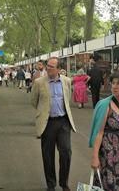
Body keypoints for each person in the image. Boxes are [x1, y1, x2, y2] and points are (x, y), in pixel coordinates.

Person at [31, 57, 76, 191]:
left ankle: (64, 183)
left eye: (51, 66)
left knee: (66, 152)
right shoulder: (39, 82)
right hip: (48, 123)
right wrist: (44, 112)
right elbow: (33, 101)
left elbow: (68, 98)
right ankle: (51, 184)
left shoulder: (67, 81)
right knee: (48, 155)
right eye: (48, 66)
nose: (48, 68)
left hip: (63, 122)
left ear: (58, 69)